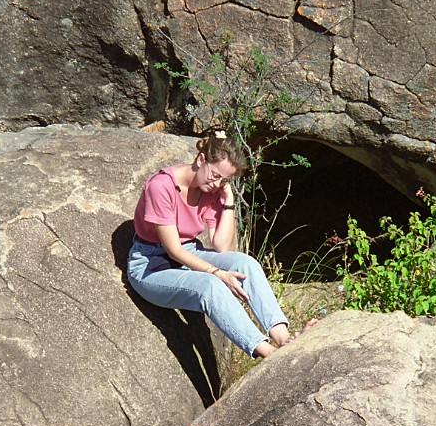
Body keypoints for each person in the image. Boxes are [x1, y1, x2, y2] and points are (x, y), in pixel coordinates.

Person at [127, 136, 316, 358]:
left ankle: (284, 338)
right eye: (215, 175)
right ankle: (269, 353)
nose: (217, 183)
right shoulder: (162, 186)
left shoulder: (213, 190)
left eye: (224, 180)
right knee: (210, 285)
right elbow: (173, 250)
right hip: (151, 265)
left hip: (189, 252)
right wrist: (217, 273)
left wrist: (228, 198)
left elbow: (222, 245)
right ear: (200, 159)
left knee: (245, 263)